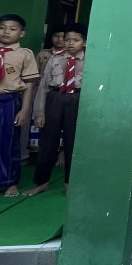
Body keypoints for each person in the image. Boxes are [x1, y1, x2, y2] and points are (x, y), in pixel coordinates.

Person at [26, 23, 87, 196]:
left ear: (84, 42)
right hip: (54, 98)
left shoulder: (91, 61)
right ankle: (41, 182)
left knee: (73, 143)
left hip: (77, 99)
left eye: (76, 40)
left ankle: (70, 182)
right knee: (48, 142)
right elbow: (44, 86)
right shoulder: (54, 59)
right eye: (67, 39)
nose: (70, 43)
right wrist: (39, 112)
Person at [0, 13, 39, 197]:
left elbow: (29, 84)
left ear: (21, 33)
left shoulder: (25, 54)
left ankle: (10, 182)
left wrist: (25, 109)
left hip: (8, 101)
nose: (6, 32)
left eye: (12, 28)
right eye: (2, 27)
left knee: (8, 142)